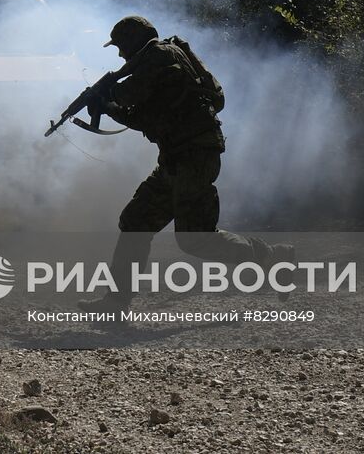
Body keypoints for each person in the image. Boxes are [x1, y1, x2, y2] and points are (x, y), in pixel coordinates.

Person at [81, 16, 290, 312]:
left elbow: (130, 97)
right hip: (178, 158)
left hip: (193, 158)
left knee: (195, 239)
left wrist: (105, 98)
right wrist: (107, 104)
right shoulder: (162, 56)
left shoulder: (158, 57)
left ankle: (271, 257)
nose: (119, 54)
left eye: (121, 47)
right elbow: (145, 116)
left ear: (132, 42)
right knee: (135, 222)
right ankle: (116, 303)